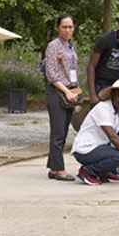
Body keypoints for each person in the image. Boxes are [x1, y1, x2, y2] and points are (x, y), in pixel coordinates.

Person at [71, 79, 119, 185]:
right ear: (112, 95)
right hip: (86, 150)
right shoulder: (102, 109)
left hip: (101, 147)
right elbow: (113, 137)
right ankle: (88, 171)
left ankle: (106, 171)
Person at [45, 14, 80, 181]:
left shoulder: (70, 47)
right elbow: (51, 74)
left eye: (70, 27)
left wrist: (74, 89)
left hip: (70, 91)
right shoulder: (53, 46)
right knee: (58, 131)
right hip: (57, 91)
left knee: (64, 129)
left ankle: (53, 167)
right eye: (64, 27)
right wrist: (65, 90)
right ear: (58, 27)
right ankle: (59, 169)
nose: (67, 30)